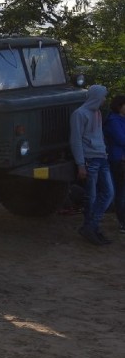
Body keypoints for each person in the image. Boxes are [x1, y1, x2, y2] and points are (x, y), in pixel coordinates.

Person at [70, 84, 114, 245]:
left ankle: (91, 226)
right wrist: (81, 164)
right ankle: (91, 229)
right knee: (91, 196)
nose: (104, 100)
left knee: (108, 193)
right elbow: (75, 139)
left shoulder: (97, 113)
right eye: (103, 96)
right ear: (96, 96)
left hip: (101, 156)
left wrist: (104, 150)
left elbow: (99, 135)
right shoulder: (79, 114)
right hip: (90, 159)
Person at [103, 94, 125, 233]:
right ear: (119, 106)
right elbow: (121, 139)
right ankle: (123, 222)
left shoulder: (121, 119)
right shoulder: (113, 121)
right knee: (121, 193)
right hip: (118, 160)